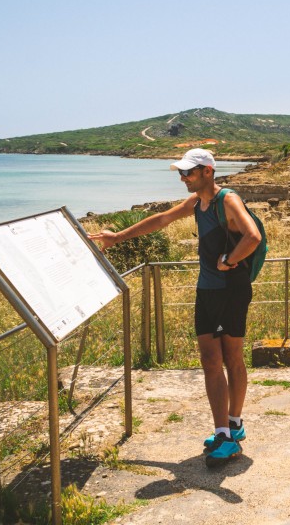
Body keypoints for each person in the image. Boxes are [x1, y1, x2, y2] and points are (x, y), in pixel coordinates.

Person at [89, 148, 261, 467]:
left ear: (207, 171)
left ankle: (233, 429)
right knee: (210, 358)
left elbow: (252, 236)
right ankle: (223, 430)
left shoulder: (227, 200)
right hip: (207, 290)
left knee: (232, 356)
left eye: (188, 173)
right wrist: (118, 237)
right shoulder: (197, 202)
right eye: (181, 173)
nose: (183, 178)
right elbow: (162, 219)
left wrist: (230, 260)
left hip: (230, 290)